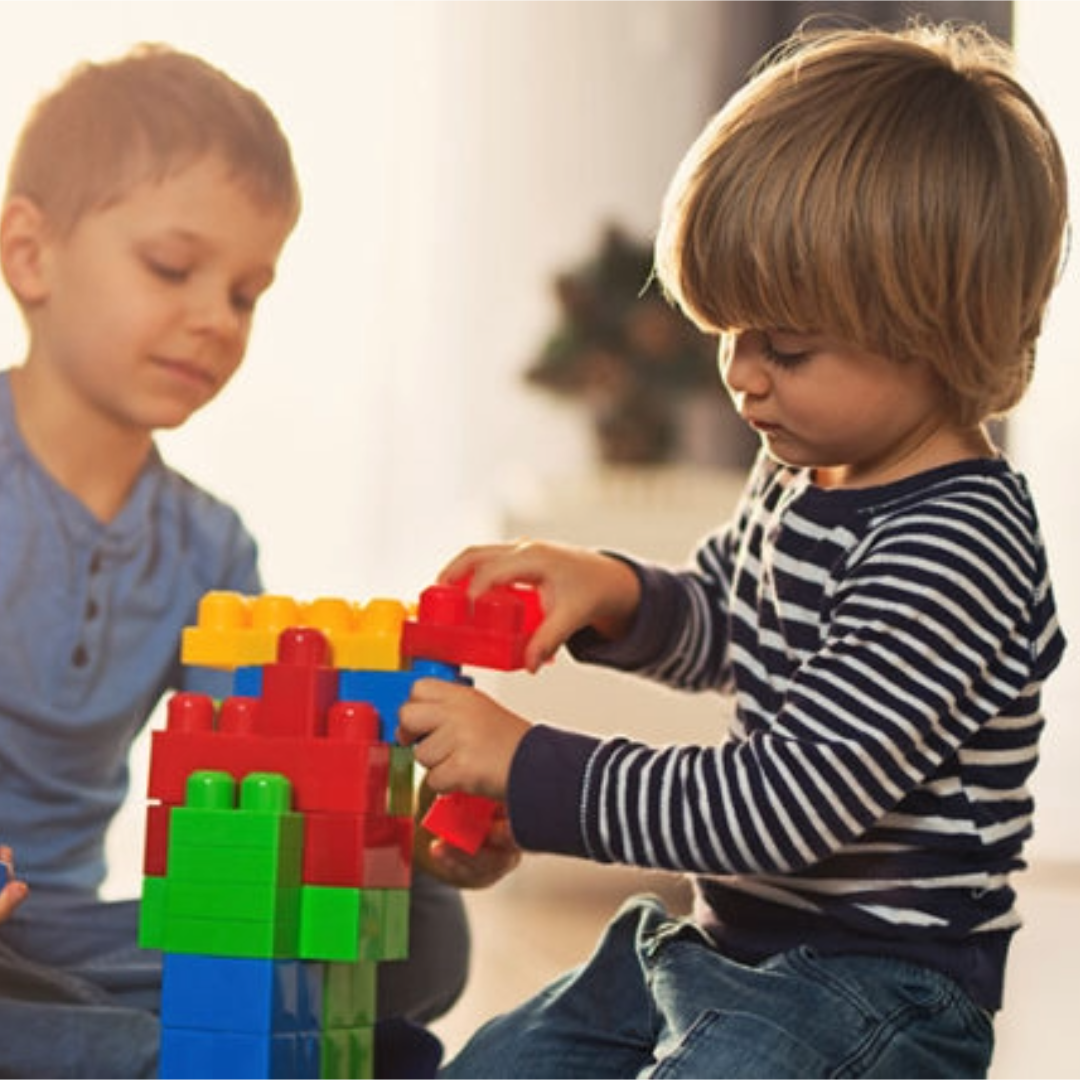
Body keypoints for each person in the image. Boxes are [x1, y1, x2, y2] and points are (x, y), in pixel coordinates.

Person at [398, 20, 1068, 1079]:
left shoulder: (957, 545)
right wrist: (612, 591)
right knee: (497, 1065)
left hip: (877, 991)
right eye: (727, 335)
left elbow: (779, 808)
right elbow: (724, 617)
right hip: (726, 948)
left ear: (939, 328)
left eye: (786, 348)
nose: (742, 377)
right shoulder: (807, 465)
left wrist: (531, 769)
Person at [0, 43, 479, 1077]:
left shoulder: (209, 544)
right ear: (30, 255)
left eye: (248, 293)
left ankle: (146, 1045)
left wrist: (419, 832)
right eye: (173, 269)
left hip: (69, 935)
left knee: (423, 936)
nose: (217, 317)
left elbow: (269, 773)